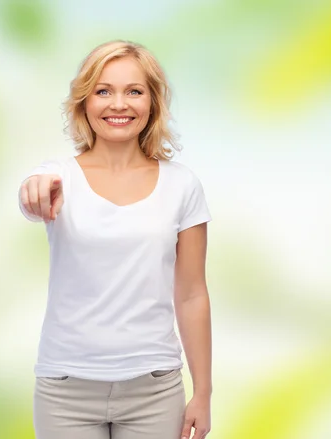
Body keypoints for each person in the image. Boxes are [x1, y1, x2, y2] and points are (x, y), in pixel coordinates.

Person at [18, 40, 212, 439]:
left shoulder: (182, 185)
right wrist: (33, 191)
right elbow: (32, 195)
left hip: (154, 390)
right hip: (65, 391)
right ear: (84, 103)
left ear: (152, 103)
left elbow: (192, 294)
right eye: (103, 91)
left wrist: (203, 393)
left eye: (134, 91)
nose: (118, 104)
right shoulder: (57, 177)